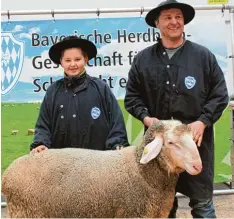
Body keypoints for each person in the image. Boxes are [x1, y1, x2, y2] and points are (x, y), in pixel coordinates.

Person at [124, 0, 229, 218]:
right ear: (157, 23)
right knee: (162, 206)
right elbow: (132, 98)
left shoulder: (203, 57)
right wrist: (146, 119)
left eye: (178, 17)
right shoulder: (143, 60)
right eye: (168, 17)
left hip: (195, 145)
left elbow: (219, 96)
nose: (174, 22)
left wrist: (203, 121)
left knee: (202, 204)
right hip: (160, 148)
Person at [30, 36, 129, 153]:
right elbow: (43, 125)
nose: (73, 64)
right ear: (60, 62)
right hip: (61, 164)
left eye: (77, 59)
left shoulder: (101, 88)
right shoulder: (53, 91)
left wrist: (117, 142)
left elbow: (115, 120)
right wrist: (41, 143)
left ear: (85, 59)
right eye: (67, 60)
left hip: (98, 163)